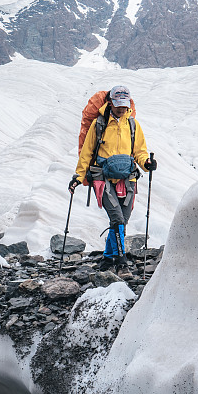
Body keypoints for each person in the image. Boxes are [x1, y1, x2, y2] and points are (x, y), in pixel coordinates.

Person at [69, 85, 157, 271]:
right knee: (117, 220)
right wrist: (78, 177)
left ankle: (108, 258)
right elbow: (87, 152)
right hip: (103, 178)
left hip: (128, 179)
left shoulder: (133, 125)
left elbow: (139, 151)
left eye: (124, 105)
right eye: (118, 105)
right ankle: (121, 262)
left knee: (121, 222)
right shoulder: (99, 124)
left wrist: (146, 163)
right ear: (110, 102)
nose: (121, 108)